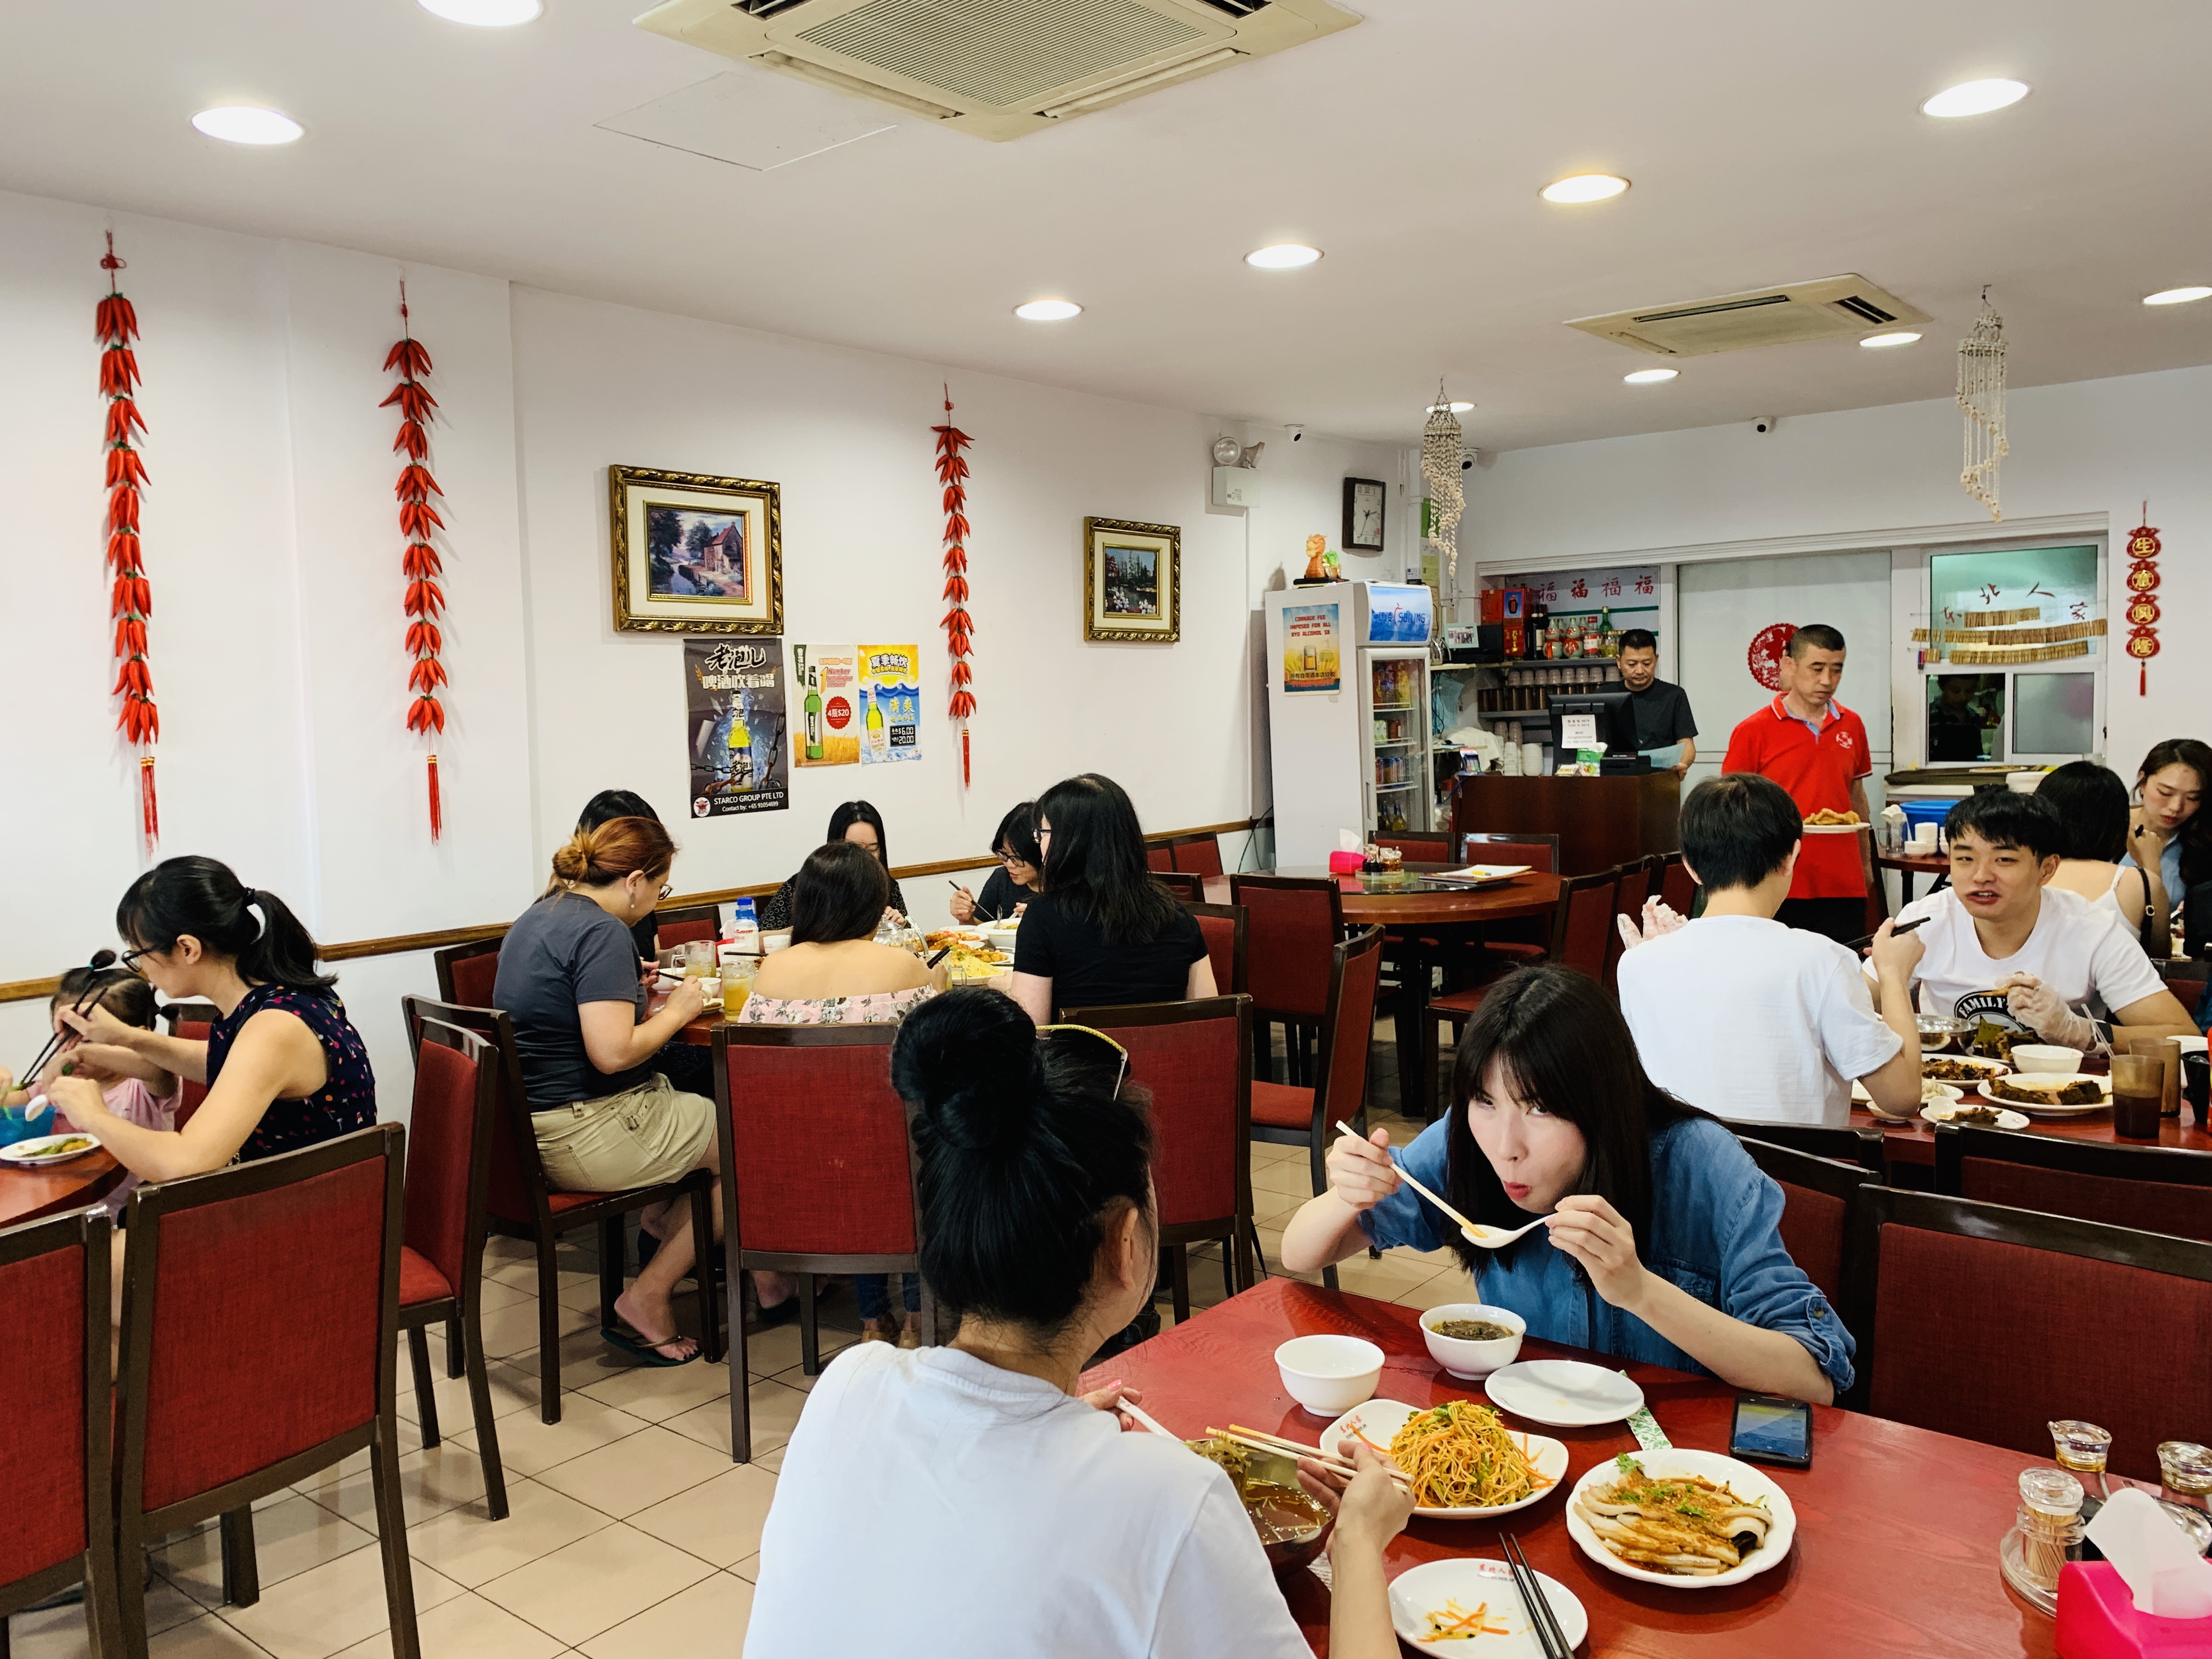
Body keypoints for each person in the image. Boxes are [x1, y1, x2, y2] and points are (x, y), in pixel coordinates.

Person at [744, 990, 1415, 1659]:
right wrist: (1358, 1542)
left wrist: (1054, 1420)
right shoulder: (1171, 1498)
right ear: (1124, 1243)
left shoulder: (848, 1386)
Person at [1283, 965, 1851, 1401]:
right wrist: (1346, 1194)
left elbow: (1813, 1377)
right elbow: (1301, 1253)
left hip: (1678, 1472)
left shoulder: (1701, 1165)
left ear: (1599, 1103)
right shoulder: (1466, 1141)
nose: (1506, 1145)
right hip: (1528, 1449)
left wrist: (1640, 1292)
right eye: (1485, 1100)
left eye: (1540, 1109)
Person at [494, 815, 719, 1365]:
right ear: (635, 880)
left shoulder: (540, 914)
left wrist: (624, 988)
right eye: (661, 889)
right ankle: (650, 1290)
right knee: (746, 1143)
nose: (656, 902)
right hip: (586, 1131)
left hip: (535, 1127)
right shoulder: (603, 932)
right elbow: (612, 1053)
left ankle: (667, 1222)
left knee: (706, 1120)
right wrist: (684, 1009)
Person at [44, 856, 378, 1198]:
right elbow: (225, 1064)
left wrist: (94, 1114)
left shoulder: (275, 1029)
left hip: (308, 1222)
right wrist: (123, 1037)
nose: (140, 967)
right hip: (300, 1200)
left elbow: (184, 1164)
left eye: (138, 953)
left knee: (79, 1251)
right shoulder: (273, 999)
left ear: (188, 949)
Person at [1617, 774, 1925, 1124]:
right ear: (1792, 856)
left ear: (1690, 865)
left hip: (1679, 1176)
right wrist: (1894, 977)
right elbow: (1901, 1098)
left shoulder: (1636, 963)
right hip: (1791, 1178)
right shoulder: (1823, 960)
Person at [738, 841, 947, 1346]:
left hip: (798, 1169)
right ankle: (919, 1317)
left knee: (847, 1148)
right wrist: (936, 987)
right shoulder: (901, 966)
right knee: (904, 1142)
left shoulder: (771, 972)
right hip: (890, 1166)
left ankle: (874, 1320)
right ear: (873, 905)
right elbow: (936, 1057)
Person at [1881, 790, 2195, 1049]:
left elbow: (2185, 1037)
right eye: (1964, 858)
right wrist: (1889, 971)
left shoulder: (2092, 930)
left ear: (2047, 869)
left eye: (2004, 860)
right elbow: (1848, 1006)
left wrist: (2079, 1032)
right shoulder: (1923, 921)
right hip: (1941, 1097)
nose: (1980, 876)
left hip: (2056, 1100)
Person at [1009, 774, 1215, 1023]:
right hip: (1169, 1060)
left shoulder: (1042, 918)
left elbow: (1033, 1032)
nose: (1039, 842)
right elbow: (1210, 1020)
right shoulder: (1179, 917)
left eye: (1042, 832)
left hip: (1080, 1061)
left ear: (1071, 841)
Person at [1720, 623, 1875, 945]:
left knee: (1843, 970)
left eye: (1837, 670)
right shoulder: (1753, 730)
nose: (1827, 681)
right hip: (1779, 878)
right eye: (1816, 669)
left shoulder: (1853, 724)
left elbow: (1855, 796)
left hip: (1843, 879)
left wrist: (1865, 862)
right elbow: (1731, 809)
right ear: (1789, 665)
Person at [1, 965, 180, 1220]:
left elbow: (158, 1070)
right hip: (63, 1208)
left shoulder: (143, 1086)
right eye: (62, 1038)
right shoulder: (60, 1081)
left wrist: (88, 1052)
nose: (69, 1050)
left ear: (135, 1037)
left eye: (85, 1038)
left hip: (129, 1219)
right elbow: (15, 1104)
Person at [2036, 763, 2153, 939]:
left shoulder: (2023, 875)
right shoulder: (2139, 882)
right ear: (2118, 823)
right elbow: (2160, 957)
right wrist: (2151, 865)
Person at [2120, 738, 2210, 958]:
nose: (2176, 807)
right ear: (2142, 781)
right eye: (2165, 793)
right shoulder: (2108, 829)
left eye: (2192, 798)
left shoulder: (2202, 845)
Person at [759, 801, 907, 929]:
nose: (864, 859)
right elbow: (758, 937)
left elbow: (911, 940)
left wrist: (899, 927)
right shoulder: (805, 885)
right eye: (855, 849)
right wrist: (802, 932)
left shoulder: (888, 886)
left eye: (872, 849)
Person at [1615, 628, 1697, 777]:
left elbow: (1686, 743)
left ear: (1656, 660)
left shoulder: (1674, 695)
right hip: (1615, 782)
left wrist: (1682, 764)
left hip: (1661, 781)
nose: (1640, 671)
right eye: (1632, 664)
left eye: (1647, 663)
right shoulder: (1605, 696)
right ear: (1619, 662)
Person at [949, 802, 1042, 924]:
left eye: (1017, 858)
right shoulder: (1002, 878)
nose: (1009, 864)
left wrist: (1041, 924)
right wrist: (967, 918)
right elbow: (982, 930)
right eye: (1004, 854)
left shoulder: (1062, 889)